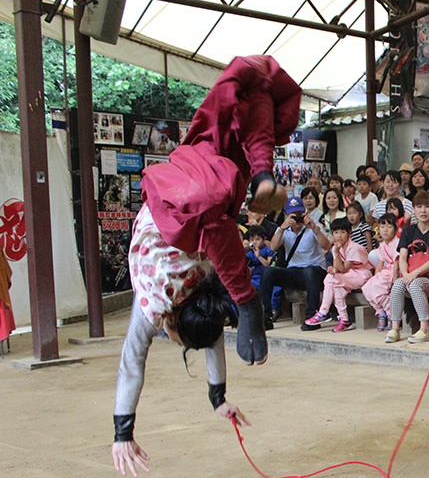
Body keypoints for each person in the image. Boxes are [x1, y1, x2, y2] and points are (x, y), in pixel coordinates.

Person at [130, 54, 300, 372]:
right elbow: (211, 338)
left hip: (188, 199)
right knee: (243, 116)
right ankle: (262, 173)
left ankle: (262, 173)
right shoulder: (180, 295)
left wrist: (246, 302)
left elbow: (134, 357)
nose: (168, 336)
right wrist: (218, 396)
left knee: (211, 201)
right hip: (194, 178)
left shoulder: (157, 305)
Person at [386, 191, 429, 345]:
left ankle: (425, 328)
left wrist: (415, 273)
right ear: (413, 209)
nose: (423, 211)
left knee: (415, 285)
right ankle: (395, 327)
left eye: (427, 207)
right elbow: (402, 257)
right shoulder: (408, 231)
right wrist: (406, 274)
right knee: (397, 285)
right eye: (419, 207)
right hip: (410, 273)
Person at [261, 196, 332, 330]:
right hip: (294, 271)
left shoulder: (313, 227)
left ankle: (312, 316)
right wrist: (282, 228)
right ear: (286, 215)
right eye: (293, 216)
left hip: (315, 271)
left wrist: (314, 228)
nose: (297, 219)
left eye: (300, 215)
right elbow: (274, 247)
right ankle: (266, 316)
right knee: (267, 272)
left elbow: (327, 246)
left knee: (309, 271)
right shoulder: (283, 230)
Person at [304, 218, 371, 332]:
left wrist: (336, 265)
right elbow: (338, 268)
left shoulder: (354, 247)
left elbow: (343, 269)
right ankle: (345, 320)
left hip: (361, 276)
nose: (339, 235)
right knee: (337, 287)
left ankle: (323, 312)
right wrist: (333, 269)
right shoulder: (336, 247)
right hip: (348, 275)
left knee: (331, 279)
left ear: (349, 233)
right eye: (336, 232)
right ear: (332, 234)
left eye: (343, 232)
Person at [362, 213, 400, 332]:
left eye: (389, 227)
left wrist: (395, 278)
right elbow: (380, 262)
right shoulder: (382, 244)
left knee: (378, 291)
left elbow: (397, 261)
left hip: (395, 270)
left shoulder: (397, 242)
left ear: (395, 228)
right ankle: (381, 312)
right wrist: (375, 277)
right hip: (385, 270)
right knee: (367, 287)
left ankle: (390, 313)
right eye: (382, 227)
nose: (385, 230)